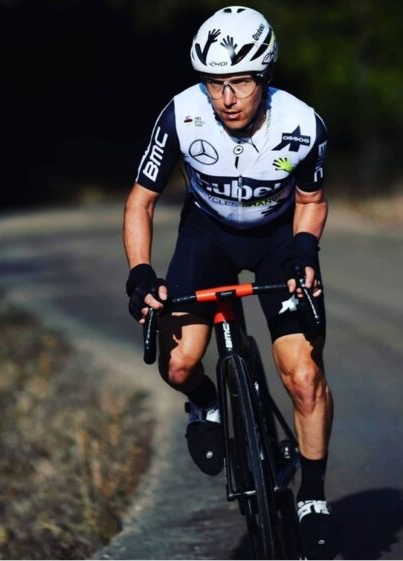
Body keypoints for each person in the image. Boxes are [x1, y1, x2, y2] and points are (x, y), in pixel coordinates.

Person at [122, 6, 336, 559]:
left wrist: (305, 247)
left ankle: (312, 493)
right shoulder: (179, 115)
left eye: (239, 82)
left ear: (263, 76)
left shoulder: (302, 125)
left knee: (304, 376)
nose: (227, 98)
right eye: (215, 83)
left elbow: (311, 202)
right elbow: (141, 202)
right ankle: (207, 404)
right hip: (207, 237)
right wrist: (141, 271)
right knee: (179, 364)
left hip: (276, 244)